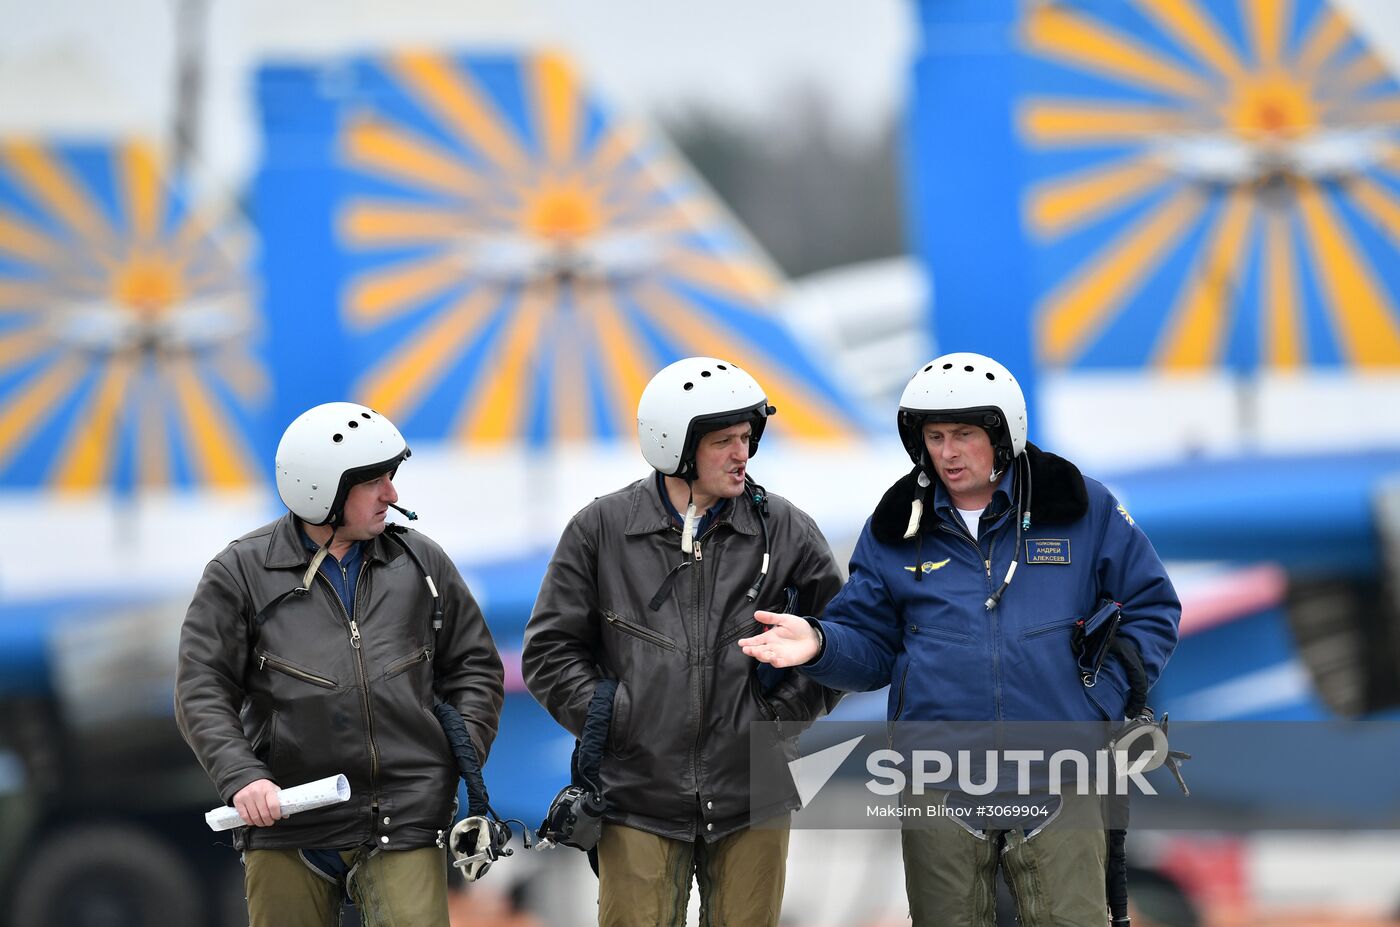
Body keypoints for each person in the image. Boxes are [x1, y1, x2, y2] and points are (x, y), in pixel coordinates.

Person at [740, 352, 1181, 927]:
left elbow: (1152, 607)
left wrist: (1098, 699)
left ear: (1003, 436)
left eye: (966, 434)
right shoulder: (896, 528)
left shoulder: (1080, 507)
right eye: (936, 436)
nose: (948, 452)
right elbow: (871, 649)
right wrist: (820, 645)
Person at [522, 356, 844, 927]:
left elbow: (838, 642)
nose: (741, 454)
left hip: (755, 790)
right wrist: (616, 721)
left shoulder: (787, 528)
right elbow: (550, 653)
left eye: (747, 438)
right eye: (724, 441)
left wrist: (774, 722)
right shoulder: (599, 529)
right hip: (635, 794)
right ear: (675, 446)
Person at [175, 401, 505, 927]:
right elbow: (201, 689)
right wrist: (242, 777)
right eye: (374, 482)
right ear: (321, 490)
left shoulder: (421, 564)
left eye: (391, 477)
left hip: (406, 819)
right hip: (288, 820)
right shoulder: (238, 573)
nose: (392, 495)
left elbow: (475, 668)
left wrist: (450, 756)